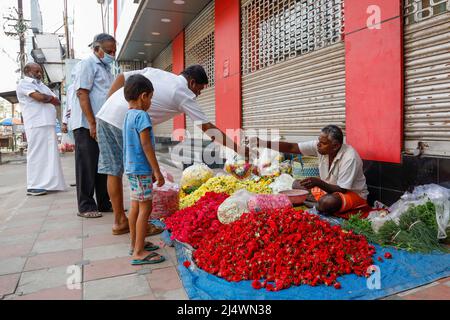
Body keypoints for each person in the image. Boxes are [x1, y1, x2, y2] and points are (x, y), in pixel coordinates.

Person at [96, 65, 246, 235]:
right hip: (128, 123)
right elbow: (208, 128)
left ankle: (120, 222)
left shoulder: (158, 73)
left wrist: (109, 103)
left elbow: (122, 77)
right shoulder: (183, 93)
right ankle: (140, 226)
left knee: (113, 171)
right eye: (200, 88)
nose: (199, 93)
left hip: (104, 115)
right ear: (192, 82)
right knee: (139, 173)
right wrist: (238, 148)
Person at [253, 125, 369, 215]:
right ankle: (316, 202)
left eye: (322, 143)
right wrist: (263, 143)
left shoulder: (350, 157)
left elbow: (342, 189)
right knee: (296, 184)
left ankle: (317, 203)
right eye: (319, 141)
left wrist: (318, 182)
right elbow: (292, 147)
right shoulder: (321, 147)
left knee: (327, 202)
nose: (318, 145)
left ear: (335, 146)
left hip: (352, 194)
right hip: (328, 189)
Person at [70, 33, 116, 218]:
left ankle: (104, 202)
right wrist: (92, 123)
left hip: (101, 123)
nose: (112, 53)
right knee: (87, 165)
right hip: (86, 124)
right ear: (96, 48)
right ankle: (86, 205)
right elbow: (82, 93)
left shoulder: (105, 68)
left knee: (102, 164)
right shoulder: (87, 64)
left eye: (114, 50)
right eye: (108, 50)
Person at [123, 74, 166, 265]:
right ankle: (139, 252)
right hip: (141, 169)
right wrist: (156, 171)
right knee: (145, 209)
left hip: (131, 169)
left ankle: (135, 243)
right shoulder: (142, 115)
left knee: (135, 207)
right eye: (150, 98)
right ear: (143, 96)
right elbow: (146, 145)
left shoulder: (128, 115)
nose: (150, 102)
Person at [16, 62, 66, 195]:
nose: (40, 74)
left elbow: (57, 100)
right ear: (27, 71)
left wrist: (46, 98)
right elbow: (39, 97)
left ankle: (50, 184)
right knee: (36, 154)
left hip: (47, 123)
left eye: (40, 71)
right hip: (36, 123)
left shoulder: (41, 85)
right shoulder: (24, 84)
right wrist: (46, 98)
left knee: (50, 155)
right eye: (37, 71)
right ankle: (33, 185)